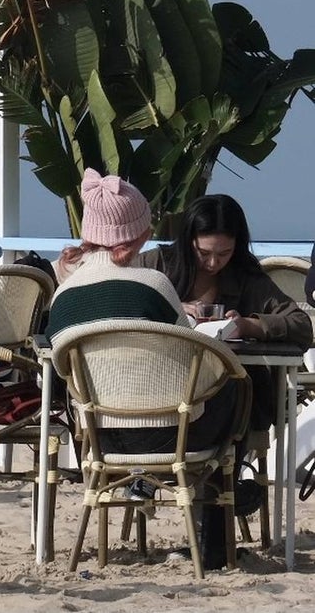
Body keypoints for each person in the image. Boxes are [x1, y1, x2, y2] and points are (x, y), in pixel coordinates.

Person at [47, 169, 243, 571]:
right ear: (137, 235)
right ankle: (217, 533)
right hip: (173, 434)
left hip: (101, 438)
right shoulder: (152, 284)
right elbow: (196, 357)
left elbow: (59, 366)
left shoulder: (63, 295)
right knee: (233, 388)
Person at [137, 194, 313, 431]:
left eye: (223, 254)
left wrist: (249, 325)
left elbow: (300, 325)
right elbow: (115, 300)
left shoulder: (245, 277)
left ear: (237, 247)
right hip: (154, 391)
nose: (212, 263)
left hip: (223, 399)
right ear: (189, 241)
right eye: (204, 253)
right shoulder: (155, 265)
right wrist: (169, 306)